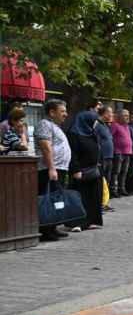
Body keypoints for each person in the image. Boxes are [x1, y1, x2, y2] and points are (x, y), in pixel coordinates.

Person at [36, 99, 72, 241]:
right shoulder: (44, 124)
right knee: (48, 199)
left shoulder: (55, 126)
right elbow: (46, 147)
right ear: (51, 112)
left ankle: (53, 227)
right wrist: (51, 168)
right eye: (62, 111)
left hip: (60, 168)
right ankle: (46, 230)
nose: (66, 114)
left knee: (55, 199)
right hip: (49, 169)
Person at [65, 111, 104, 232]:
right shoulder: (74, 134)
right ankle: (76, 222)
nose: (96, 124)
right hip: (81, 171)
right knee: (80, 197)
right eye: (94, 121)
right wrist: (75, 170)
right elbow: (73, 153)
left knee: (93, 197)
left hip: (94, 170)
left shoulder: (92, 133)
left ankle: (90, 221)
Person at [95, 106, 115, 211]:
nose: (112, 115)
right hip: (102, 158)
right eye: (110, 113)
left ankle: (104, 202)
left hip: (109, 157)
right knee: (101, 181)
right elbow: (96, 142)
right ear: (104, 114)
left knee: (107, 180)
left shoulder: (105, 126)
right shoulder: (97, 125)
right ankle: (100, 204)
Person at [110, 109, 133, 197]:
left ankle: (121, 189)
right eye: (125, 115)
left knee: (124, 172)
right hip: (118, 152)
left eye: (128, 115)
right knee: (116, 172)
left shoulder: (127, 126)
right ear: (119, 116)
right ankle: (112, 189)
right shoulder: (115, 125)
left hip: (127, 152)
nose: (128, 117)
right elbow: (109, 136)